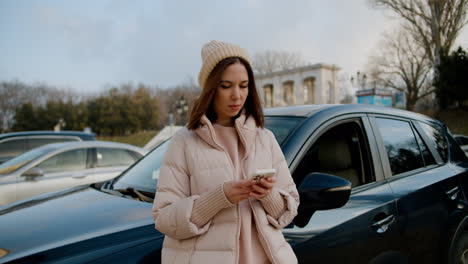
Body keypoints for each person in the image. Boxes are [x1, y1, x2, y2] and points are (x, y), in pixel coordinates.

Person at [152, 40, 299, 264]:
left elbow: (287, 212)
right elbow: (164, 219)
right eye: (226, 85)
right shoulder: (184, 141)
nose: (237, 96)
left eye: (243, 85)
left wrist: (267, 194)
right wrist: (219, 198)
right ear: (211, 88)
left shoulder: (265, 138)